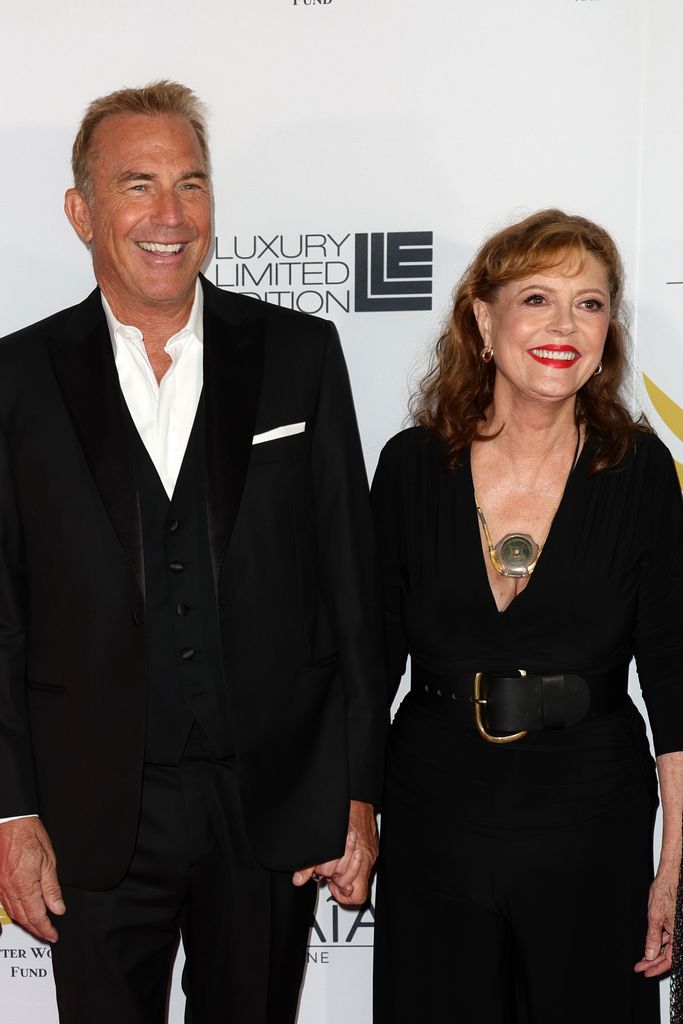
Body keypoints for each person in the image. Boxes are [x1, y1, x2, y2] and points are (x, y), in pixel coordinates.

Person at [0, 81, 386, 1024]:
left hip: (271, 802)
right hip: (91, 814)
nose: (169, 215)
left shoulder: (300, 353)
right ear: (82, 211)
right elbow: (1, 613)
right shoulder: (14, 380)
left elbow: (353, 590)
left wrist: (358, 790)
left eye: (191, 183)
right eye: (138, 185)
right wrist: (12, 813)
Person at [371, 209, 683, 1023]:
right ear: (483, 318)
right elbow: (364, 664)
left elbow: (674, 678)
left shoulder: (640, 471)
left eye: (588, 303)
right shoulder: (410, 468)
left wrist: (676, 858)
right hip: (432, 814)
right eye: (536, 298)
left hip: (592, 821)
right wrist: (354, 814)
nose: (563, 326)